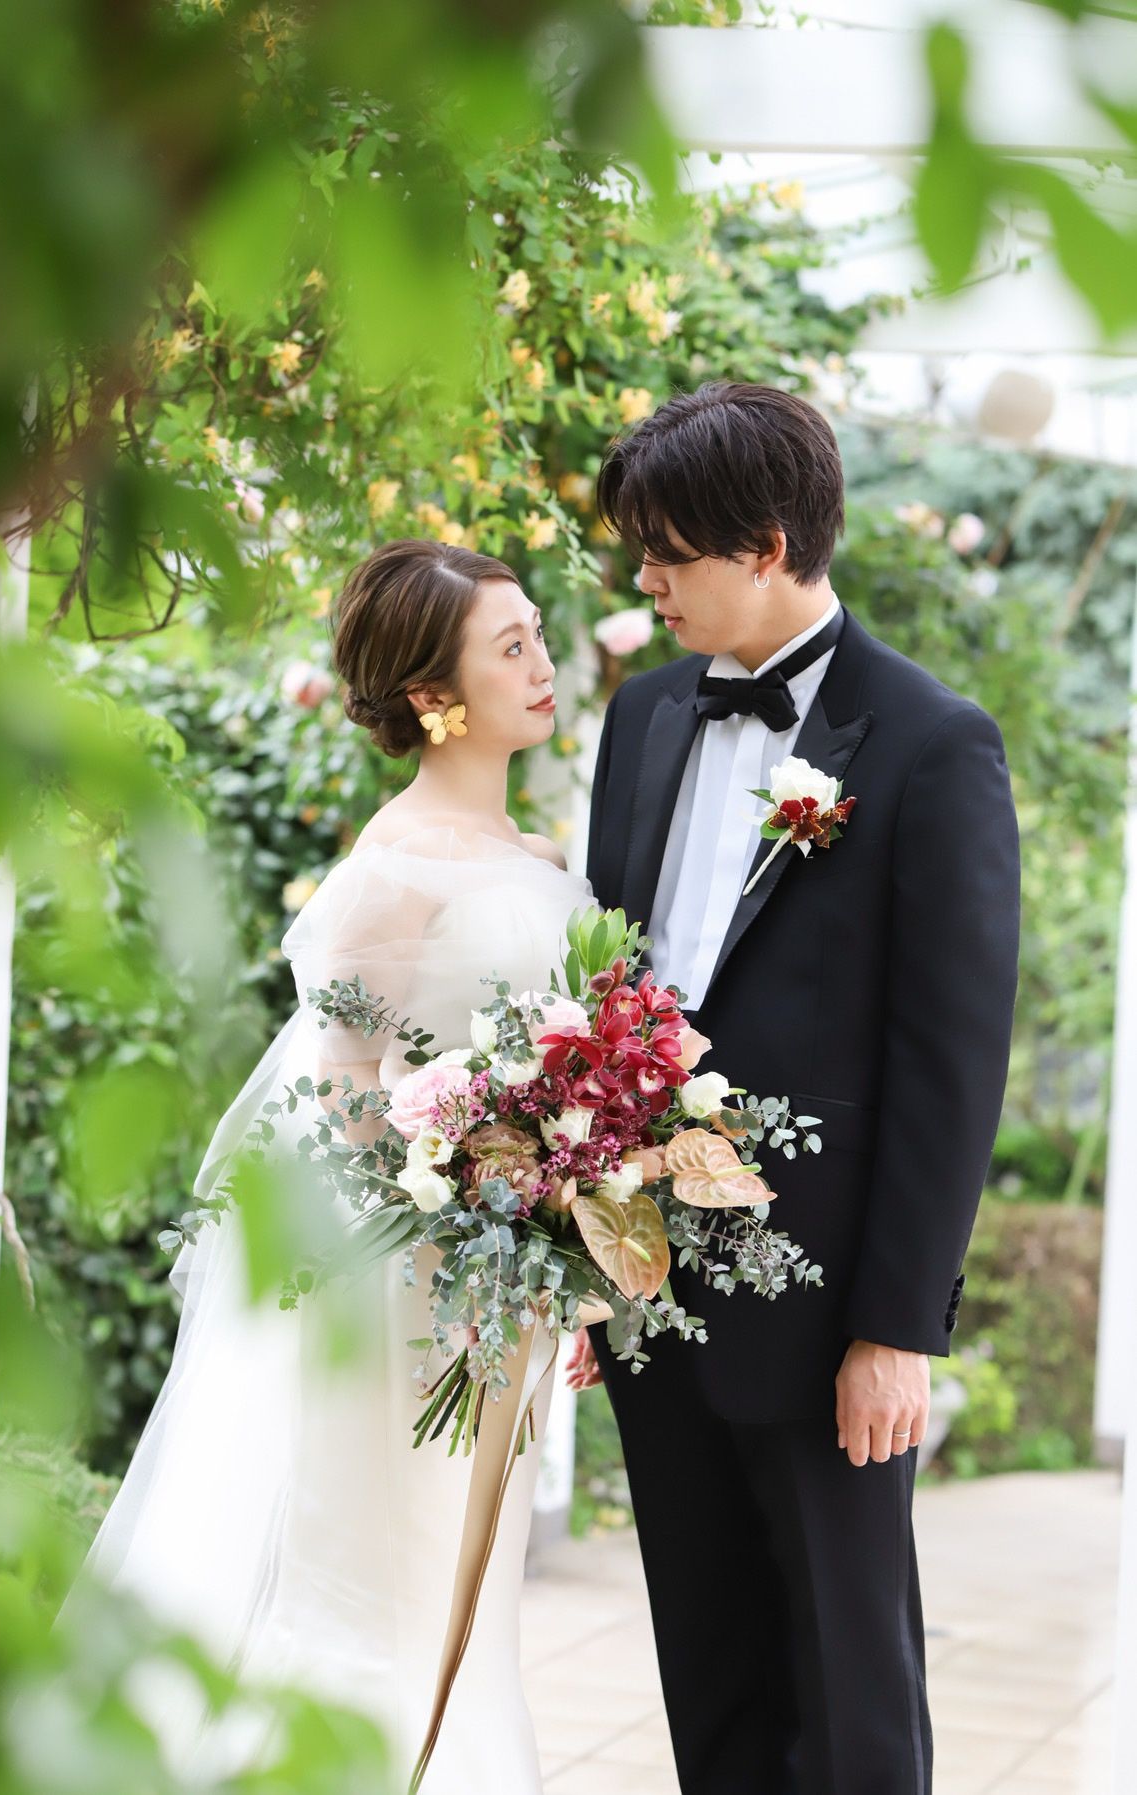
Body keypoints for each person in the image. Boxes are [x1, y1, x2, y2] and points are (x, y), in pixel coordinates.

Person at [55, 539, 595, 1793]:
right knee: (380, 1585)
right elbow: (345, 1106)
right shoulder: (388, 874)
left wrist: (572, 1244)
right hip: (406, 1293)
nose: (542, 662)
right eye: (510, 645)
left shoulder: (531, 857)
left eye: (535, 633)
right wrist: (480, 1203)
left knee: (467, 1588)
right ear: (434, 695)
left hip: (503, 1289)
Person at [566, 380, 1022, 1795]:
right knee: (708, 1682)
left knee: (849, 1697)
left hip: (826, 1318)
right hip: (652, 1293)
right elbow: (611, 1001)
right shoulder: (645, 714)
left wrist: (896, 1326)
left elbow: (952, 1059)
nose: (646, 583)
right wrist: (585, 1257)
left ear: (766, 546)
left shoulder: (932, 741)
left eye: (667, 554)